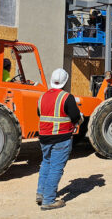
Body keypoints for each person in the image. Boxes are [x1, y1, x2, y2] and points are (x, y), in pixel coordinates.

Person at [36, 68, 83, 210]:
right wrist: (79, 119)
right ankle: (49, 200)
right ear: (65, 81)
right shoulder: (66, 97)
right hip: (61, 137)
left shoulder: (42, 96)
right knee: (56, 168)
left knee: (46, 164)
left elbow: (40, 113)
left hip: (44, 137)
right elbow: (75, 117)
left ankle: (41, 193)